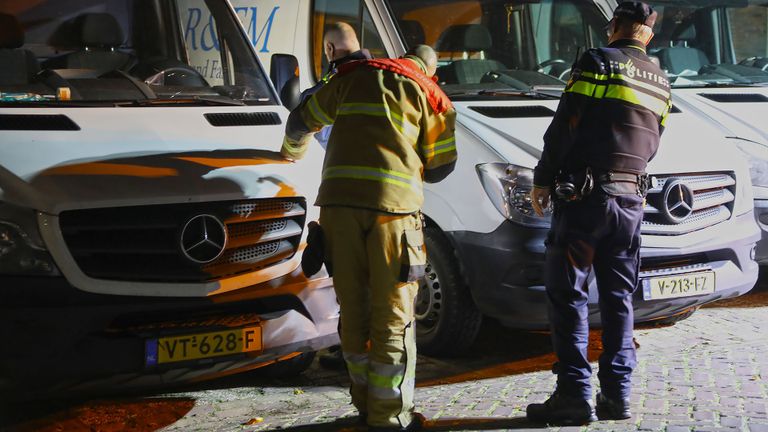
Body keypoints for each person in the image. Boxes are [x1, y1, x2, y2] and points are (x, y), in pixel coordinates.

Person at [281, 44, 455, 432]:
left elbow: (299, 123)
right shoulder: (430, 93)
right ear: (431, 68)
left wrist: (291, 154)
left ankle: (363, 403)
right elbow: (442, 167)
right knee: (393, 316)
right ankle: (390, 417)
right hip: (392, 216)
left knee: (354, 310)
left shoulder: (352, 77)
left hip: (338, 210)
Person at [526, 1, 672, 426]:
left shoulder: (597, 62)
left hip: (587, 200)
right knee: (619, 299)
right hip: (632, 201)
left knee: (569, 296)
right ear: (648, 34)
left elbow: (568, 121)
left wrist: (542, 177)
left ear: (614, 27)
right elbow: (654, 138)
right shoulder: (661, 79)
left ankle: (574, 396)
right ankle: (618, 396)